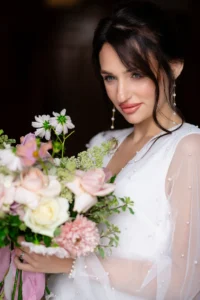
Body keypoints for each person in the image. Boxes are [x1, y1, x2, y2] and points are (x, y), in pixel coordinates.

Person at [14, 1, 200, 299]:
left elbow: (183, 281)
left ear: (174, 67)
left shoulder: (188, 148)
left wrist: (72, 264)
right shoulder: (102, 144)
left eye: (136, 74)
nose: (121, 94)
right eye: (110, 78)